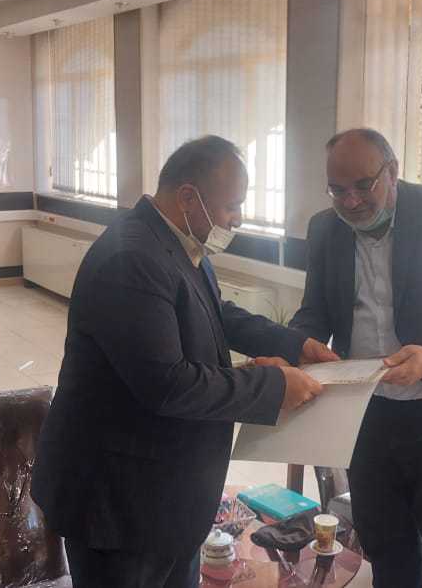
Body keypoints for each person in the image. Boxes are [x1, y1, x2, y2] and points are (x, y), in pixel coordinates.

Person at [30, 135, 337, 588]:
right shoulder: (131, 258)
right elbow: (168, 384)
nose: (237, 219)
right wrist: (275, 387)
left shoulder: (176, 242)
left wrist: (295, 344)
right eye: (231, 206)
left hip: (167, 500)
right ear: (189, 197)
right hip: (118, 506)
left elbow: (215, 312)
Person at [289, 128, 422, 588]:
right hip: (367, 416)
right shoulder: (325, 229)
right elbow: (314, 312)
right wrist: (295, 351)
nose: (350, 201)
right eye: (337, 190)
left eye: (363, 186)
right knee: (388, 556)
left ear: (391, 171)